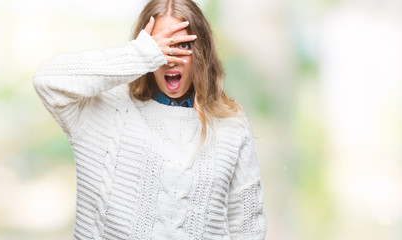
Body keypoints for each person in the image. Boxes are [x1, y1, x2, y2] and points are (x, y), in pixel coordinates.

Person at [33, 0, 266, 239]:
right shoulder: (103, 110)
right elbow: (47, 81)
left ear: (201, 52)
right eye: (162, 45)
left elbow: (248, 227)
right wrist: (141, 55)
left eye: (183, 45)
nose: (171, 58)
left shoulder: (230, 122)